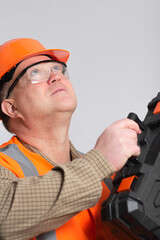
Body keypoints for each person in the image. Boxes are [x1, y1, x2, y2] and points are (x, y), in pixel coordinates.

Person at [0, 38, 141, 240]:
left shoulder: (107, 176)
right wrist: (101, 162)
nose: (55, 77)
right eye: (35, 73)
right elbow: (4, 217)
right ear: (12, 108)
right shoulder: (4, 165)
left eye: (57, 69)